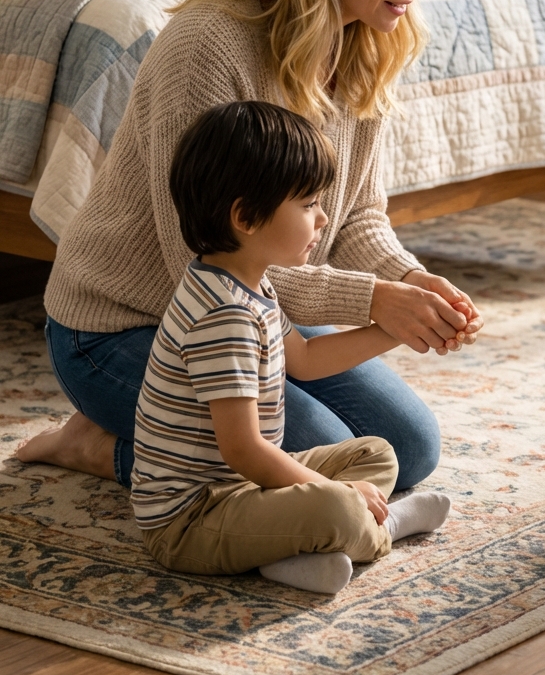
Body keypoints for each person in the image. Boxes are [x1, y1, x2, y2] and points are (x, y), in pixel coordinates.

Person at [19, 0, 480, 491]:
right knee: (316, 459)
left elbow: (357, 220)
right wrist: (375, 300)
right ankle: (96, 447)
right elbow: (209, 265)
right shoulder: (208, 47)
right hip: (128, 326)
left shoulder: (366, 45)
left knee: (407, 449)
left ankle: (146, 441)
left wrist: (413, 284)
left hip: (261, 310)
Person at [134, 100, 454, 594]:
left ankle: (289, 555)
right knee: (337, 504)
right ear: (245, 217)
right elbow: (242, 449)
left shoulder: (248, 283)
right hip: (192, 520)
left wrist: (398, 329)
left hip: (242, 493)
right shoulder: (223, 315)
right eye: (307, 205)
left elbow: (303, 361)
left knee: (377, 453)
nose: (323, 218)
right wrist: (335, 492)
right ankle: (381, 527)